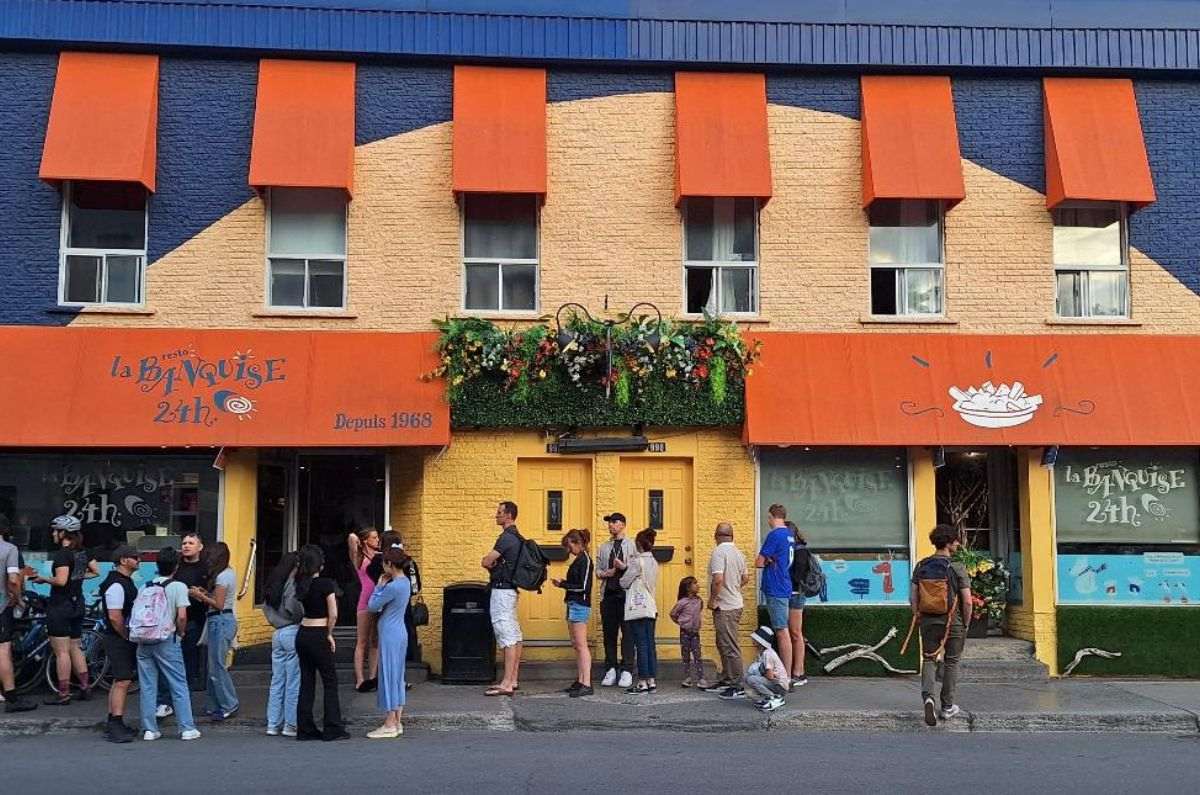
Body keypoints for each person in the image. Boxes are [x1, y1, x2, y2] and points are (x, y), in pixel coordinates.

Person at [910, 523, 973, 727]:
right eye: (955, 541)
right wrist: (966, 621)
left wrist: (918, 615)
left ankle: (928, 698)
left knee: (929, 659)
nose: (957, 544)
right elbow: (968, 600)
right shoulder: (957, 567)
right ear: (948, 543)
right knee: (951, 661)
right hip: (952, 621)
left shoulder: (921, 565)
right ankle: (947, 707)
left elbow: (913, 597)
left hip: (928, 619)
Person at [136, 546, 201, 741]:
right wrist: (180, 633)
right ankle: (187, 727)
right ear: (176, 566)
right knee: (178, 683)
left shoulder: (145, 586)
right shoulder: (178, 587)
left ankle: (149, 728)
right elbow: (182, 616)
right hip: (166, 639)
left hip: (144, 639)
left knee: (147, 686)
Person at [32, 515, 98, 705]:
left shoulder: (62, 554)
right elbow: (95, 571)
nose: (53, 534)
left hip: (61, 605)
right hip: (78, 604)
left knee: (61, 651)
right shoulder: (83, 552)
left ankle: (63, 693)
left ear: (64, 533)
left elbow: (60, 581)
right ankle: (85, 687)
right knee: (75, 646)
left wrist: (43, 578)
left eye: (56, 530)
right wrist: (77, 578)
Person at [294, 544, 348, 741]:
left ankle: (305, 728)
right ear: (321, 565)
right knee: (330, 681)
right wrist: (329, 634)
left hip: (303, 632)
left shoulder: (299, 584)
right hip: (319, 632)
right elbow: (333, 613)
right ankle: (333, 727)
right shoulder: (326, 584)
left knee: (306, 681)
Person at [189, 541, 239, 720]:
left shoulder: (223, 577)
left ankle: (228, 703)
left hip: (220, 621)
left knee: (217, 666)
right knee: (214, 666)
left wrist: (200, 596)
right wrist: (206, 593)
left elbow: (218, 604)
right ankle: (214, 705)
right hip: (221, 621)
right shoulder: (228, 574)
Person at [365, 544, 412, 738]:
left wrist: (378, 586)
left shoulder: (392, 586)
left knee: (388, 675)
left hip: (389, 632)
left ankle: (390, 722)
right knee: (397, 675)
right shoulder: (406, 582)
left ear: (390, 564)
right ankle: (397, 720)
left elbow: (372, 606)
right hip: (400, 630)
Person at [98, 546, 141, 742]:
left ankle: (114, 720)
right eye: (135, 557)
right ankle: (115, 723)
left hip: (118, 637)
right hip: (118, 638)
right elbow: (115, 617)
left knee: (120, 680)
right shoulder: (117, 584)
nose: (139, 560)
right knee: (123, 680)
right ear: (123, 561)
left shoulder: (122, 581)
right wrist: (126, 635)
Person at [481, 501, 523, 697]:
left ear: (508, 515)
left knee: (506, 636)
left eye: (499, 513)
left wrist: (490, 563)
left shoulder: (506, 538)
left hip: (502, 591)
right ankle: (513, 678)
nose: (495, 515)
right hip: (511, 590)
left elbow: (487, 561)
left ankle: (506, 683)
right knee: (515, 634)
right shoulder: (518, 537)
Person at [706, 522, 749, 699]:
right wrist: (733, 588)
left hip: (725, 606)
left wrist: (712, 599)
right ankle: (726, 678)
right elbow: (745, 578)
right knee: (723, 643)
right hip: (735, 603)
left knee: (730, 646)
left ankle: (737, 684)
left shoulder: (719, 552)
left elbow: (717, 580)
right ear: (732, 536)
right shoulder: (739, 553)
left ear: (716, 536)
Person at [261, 551, 302, 737]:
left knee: (277, 680)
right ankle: (290, 723)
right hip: (292, 630)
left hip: (277, 632)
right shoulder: (291, 584)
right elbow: (294, 607)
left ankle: (272, 723)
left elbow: (266, 607)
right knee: (293, 681)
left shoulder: (273, 583)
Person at [755, 504, 794, 690]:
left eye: (768, 518)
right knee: (782, 630)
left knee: (781, 631)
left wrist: (767, 560)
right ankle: (786, 672)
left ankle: (785, 676)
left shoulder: (774, 534)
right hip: (784, 583)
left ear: (771, 516)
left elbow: (759, 562)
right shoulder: (789, 534)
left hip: (776, 586)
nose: (768, 521)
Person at [595, 512, 636, 689]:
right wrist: (606, 573)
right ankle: (610, 668)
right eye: (609, 523)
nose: (611, 525)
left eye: (614, 522)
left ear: (623, 524)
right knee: (609, 634)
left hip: (626, 595)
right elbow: (597, 571)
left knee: (628, 634)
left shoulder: (632, 545)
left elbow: (637, 569)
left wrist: (624, 567)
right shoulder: (604, 547)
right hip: (609, 595)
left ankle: (627, 669)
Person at [551, 528, 593, 698]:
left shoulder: (585, 561)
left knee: (581, 645)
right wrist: (565, 583)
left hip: (579, 605)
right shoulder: (579, 560)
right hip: (573, 603)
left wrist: (563, 585)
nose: (568, 550)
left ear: (578, 543)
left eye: (569, 546)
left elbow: (583, 587)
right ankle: (581, 679)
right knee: (577, 645)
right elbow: (577, 584)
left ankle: (587, 682)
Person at [0, 517, 36, 712]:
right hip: (1, 605)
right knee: (3, 649)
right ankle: (11, 697)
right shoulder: (9, 549)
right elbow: (14, 579)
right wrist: (18, 598)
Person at [620, 528, 659, 695]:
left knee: (640, 644)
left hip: (638, 608)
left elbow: (624, 582)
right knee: (650, 644)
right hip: (650, 606)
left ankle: (642, 681)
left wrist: (624, 568)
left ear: (638, 544)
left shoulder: (637, 562)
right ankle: (651, 680)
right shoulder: (654, 562)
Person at [173, 531, 209, 693]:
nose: (186, 546)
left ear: (200, 547)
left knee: (193, 652)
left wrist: (203, 594)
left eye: (190, 543)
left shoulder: (206, 567)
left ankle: (193, 681)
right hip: (176, 617)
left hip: (197, 616)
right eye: (184, 543)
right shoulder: (176, 566)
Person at [348, 526, 381, 692]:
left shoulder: (379, 557)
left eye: (377, 537)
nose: (377, 540)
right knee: (362, 641)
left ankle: (372, 677)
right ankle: (360, 679)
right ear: (366, 540)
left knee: (375, 640)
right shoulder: (359, 556)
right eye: (374, 537)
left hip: (377, 600)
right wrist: (361, 542)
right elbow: (352, 537)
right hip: (364, 600)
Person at [669, 575, 708, 688]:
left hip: (695, 632)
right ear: (687, 588)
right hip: (685, 632)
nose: (698, 585)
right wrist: (681, 623)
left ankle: (701, 678)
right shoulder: (682, 602)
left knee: (697, 655)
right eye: (695, 583)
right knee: (685, 655)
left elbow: (699, 611)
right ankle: (687, 677)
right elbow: (673, 614)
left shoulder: (699, 601)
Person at [785, 520, 809, 688]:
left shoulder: (800, 552)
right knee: (790, 633)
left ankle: (798, 672)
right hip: (787, 594)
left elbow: (798, 575)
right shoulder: (791, 550)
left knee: (795, 632)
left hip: (795, 594)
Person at [745, 625, 789, 713]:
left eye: (755, 639)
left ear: (760, 641)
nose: (752, 640)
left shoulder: (767, 654)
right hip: (776, 684)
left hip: (779, 686)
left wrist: (759, 672)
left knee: (751, 679)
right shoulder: (761, 653)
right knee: (750, 677)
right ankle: (768, 698)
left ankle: (773, 697)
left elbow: (770, 676)